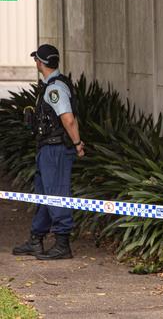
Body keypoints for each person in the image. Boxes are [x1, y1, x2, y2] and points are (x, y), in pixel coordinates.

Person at [12, 44, 84, 260]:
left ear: (41, 63)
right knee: (44, 194)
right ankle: (36, 239)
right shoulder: (51, 85)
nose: (36, 63)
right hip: (48, 148)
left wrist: (77, 143)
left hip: (56, 150)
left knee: (56, 194)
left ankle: (62, 243)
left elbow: (68, 119)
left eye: (36, 60)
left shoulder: (55, 88)